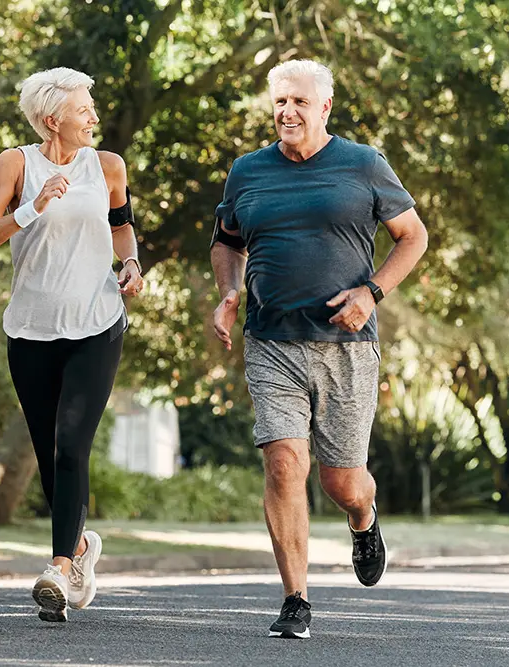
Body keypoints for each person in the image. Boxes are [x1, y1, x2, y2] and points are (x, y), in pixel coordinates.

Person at [210, 59, 428, 639]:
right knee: (284, 462)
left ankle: (363, 517)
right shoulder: (247, 172)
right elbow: (227, 242)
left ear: (325, 108)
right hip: (271, 339)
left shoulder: (363, 164)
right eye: (280, 101)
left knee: (341, 482)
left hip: (346, 344)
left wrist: (373, 292)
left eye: (300, 102)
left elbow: (414, 236)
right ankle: (295, 599)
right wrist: (230, 291)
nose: (288, 112)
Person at [0, 67, 143, 623]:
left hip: (96, 324)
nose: (94, 116)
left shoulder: (108, 166)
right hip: (30, 330)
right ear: (53, 120)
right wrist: (33, 206)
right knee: (50, 455)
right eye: (84, 109)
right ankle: (83, 551)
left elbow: (121, 226)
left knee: (72, 444)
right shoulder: (15, 164)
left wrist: (132, 262)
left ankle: (59, 568)